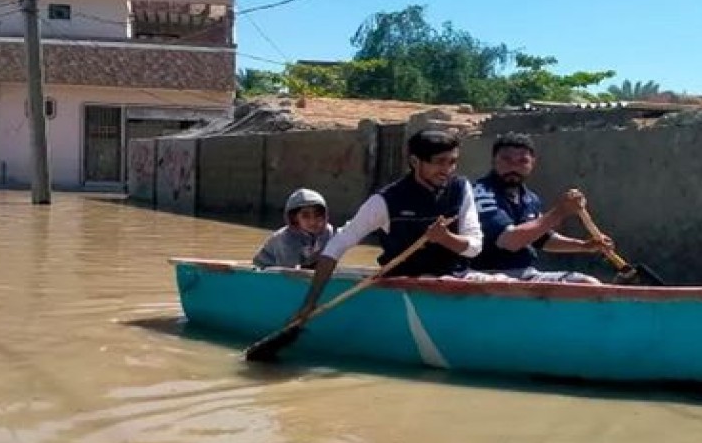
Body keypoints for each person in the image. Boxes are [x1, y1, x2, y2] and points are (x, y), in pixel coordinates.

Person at [281, 129, 484, 324]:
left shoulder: (461, 188)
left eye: (452, 162)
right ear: (415, 162)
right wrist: (310, 302)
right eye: (439, 162)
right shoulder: (385, 201)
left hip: (456, 277)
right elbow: (336, 246)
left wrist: (446, 238)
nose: (447, 170)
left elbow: (474, 248)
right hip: (409, 281)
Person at [469, 132, 612, 284]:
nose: (514, 167)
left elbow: (541, 238)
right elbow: (510, 241)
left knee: (587, 284)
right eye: (507, 160)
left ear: (532, 163)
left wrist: (584, 246)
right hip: (487, 274)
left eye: (522, 161)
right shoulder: (481, 193)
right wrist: (559, 212)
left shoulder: (529, 198)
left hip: (523, 273)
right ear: (493, 161)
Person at [252, 188, 337, 269]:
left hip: (303, 265)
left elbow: (327, 259)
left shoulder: (327, 232)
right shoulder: (286, 239)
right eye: (305, 216)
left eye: (318, 215)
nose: (313, 221)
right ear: (294, 218)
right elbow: (289, 271)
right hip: (268, 268)